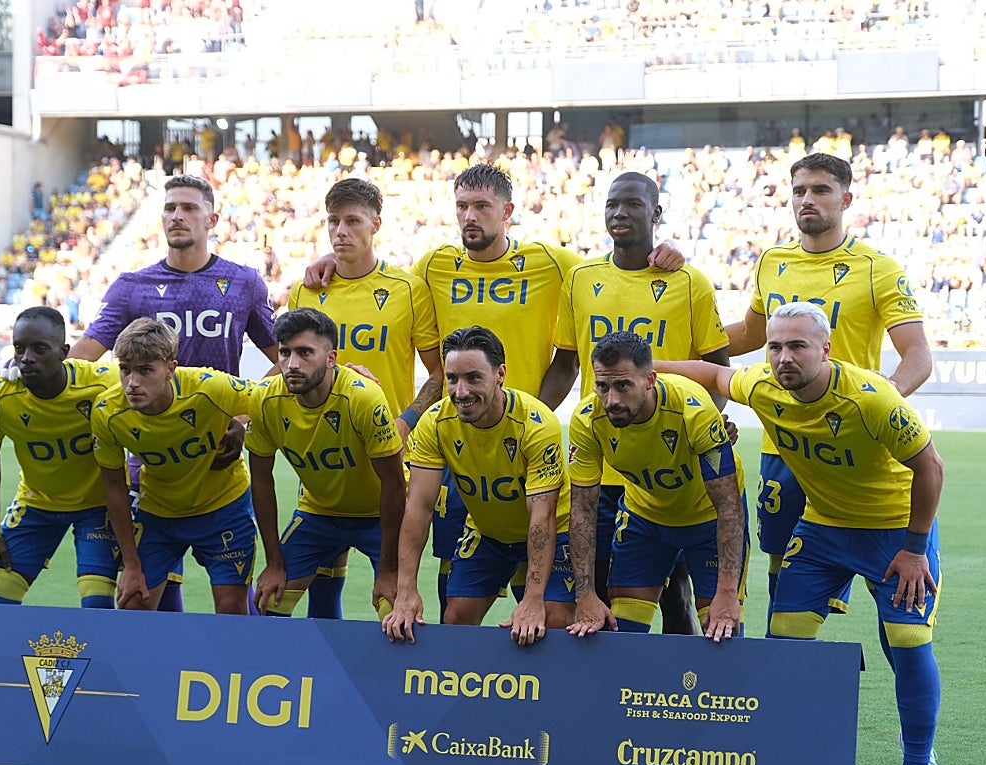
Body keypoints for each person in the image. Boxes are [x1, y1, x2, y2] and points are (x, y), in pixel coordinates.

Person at [305, 164, 684, 622]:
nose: (470, 216)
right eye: (462, 206)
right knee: (454, 577)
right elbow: (378, 279)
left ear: (507, 211)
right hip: (459, 442)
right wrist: (333, 262)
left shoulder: (552, 263)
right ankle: (459, 675)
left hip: (525, 445)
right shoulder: (432, 266)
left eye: (482, 206)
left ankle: (533, 676)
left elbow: (615, 267)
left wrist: (663, 252)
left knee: (545, 595)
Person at [657, 302, 944, 765]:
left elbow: (931, 469)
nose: (783, 357)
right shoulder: (764, 385)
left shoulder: (872, 398)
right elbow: (711, 373)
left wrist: (915, 549)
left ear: (826, 350)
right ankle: (778, 757)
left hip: (895, 531)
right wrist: (643, 368)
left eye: (797, 346)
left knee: (907, 639)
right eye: (775, 347)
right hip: (823, 530)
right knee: (784, 641)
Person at [725, 153, 932, 622]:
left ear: (846, 198)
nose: (807, 200)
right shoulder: (772, 261)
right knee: (781, 558)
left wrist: (881, 411)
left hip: (854, 451)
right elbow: (750, 337)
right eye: (799, 191)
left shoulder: (878, 268)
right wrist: (681, 336)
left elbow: (917, 357)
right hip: (786, 442)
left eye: (820, 190)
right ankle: (787, 662)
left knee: (893, 596)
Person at [69, 173, 278, 612]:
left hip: (217, 462)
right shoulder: (132, 287)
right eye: (169, 208)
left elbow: (286, 359)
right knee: (147, 597)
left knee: (233, 604)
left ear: (212, 219)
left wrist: (241, 420)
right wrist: (30, 372)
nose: (177, 216)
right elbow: (83, 359)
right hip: (151, 466)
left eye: (188, 208)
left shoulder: (243, 283)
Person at [540, 171, 730, 634]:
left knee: (676, 596)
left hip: (670, 465)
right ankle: (616, 697)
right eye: (611, 205)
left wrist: (702, 426)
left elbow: (718, 370)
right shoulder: (581, 279)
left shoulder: (689, 282)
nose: (619, 213)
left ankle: (678, 697)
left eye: (633, 205)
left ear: (657, 213)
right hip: (603, 461)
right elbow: (565, 364)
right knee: (606, 590)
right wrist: (534, 423)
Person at [286, 178, 443, 617]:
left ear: (375, 224)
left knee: (394, 599)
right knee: (315, 590)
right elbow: (287, 368)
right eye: (333, 221)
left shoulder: (407, 290)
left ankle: (393, 684)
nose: (340, 232)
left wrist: (407, 419)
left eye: (352, 221)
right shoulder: (309, 291)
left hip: (386, 462)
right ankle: (316, 682)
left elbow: (438, 373)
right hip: (322, 463)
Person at [383, 326, 576, 647]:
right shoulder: (434, 423)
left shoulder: (537, 424)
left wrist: (532, 598)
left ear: (500, 374)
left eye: (473, 378)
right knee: (456, 617)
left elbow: (542, 517)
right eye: (453, 378)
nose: (460, 391)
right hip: (489, 533)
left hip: (556, 528)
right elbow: (419, 506)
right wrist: (406, 590)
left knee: (553, 619)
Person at [565, 332, 745, 642]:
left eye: (623, 386)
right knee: (623, 631)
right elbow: (582, 509)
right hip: (644, 518)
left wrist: (728, 594)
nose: (611, 400)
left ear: (650, 380)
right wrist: (585, 595)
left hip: (705, 518)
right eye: (602, 386)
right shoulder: (587, 419)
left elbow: (728, 505)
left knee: (721, 629)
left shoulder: (694, 411)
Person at [247, 308, 406, 620]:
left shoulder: (363, 398)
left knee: (396, 609)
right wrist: (274, 563)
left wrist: (388, 569)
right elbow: (262, 480)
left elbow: (394, 483)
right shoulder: (265, 399)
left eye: (305, 352)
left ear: (331, 357)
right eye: (285, 352)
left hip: (379, 516)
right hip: (319, 513)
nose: (292, 364)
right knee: (265, 605)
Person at [90, 318, 256, 614]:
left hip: (224, 507)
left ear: (170, 369)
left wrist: (244, 424)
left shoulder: (211, 388)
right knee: (133, 603)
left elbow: (271, 400)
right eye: (125, 369)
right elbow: (114, 487)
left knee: (232, 609)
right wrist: (131, 564)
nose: (132, 382)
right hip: (160, 513)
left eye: (145, 370)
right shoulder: (107, 412)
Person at [0, 306, 120, 607]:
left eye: (39, 349)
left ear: (64, 351)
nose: (27, 358)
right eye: (19, 348)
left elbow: (160, 383)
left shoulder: (103, 383)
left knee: (97, 604)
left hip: (98, 505)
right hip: (37, 503)